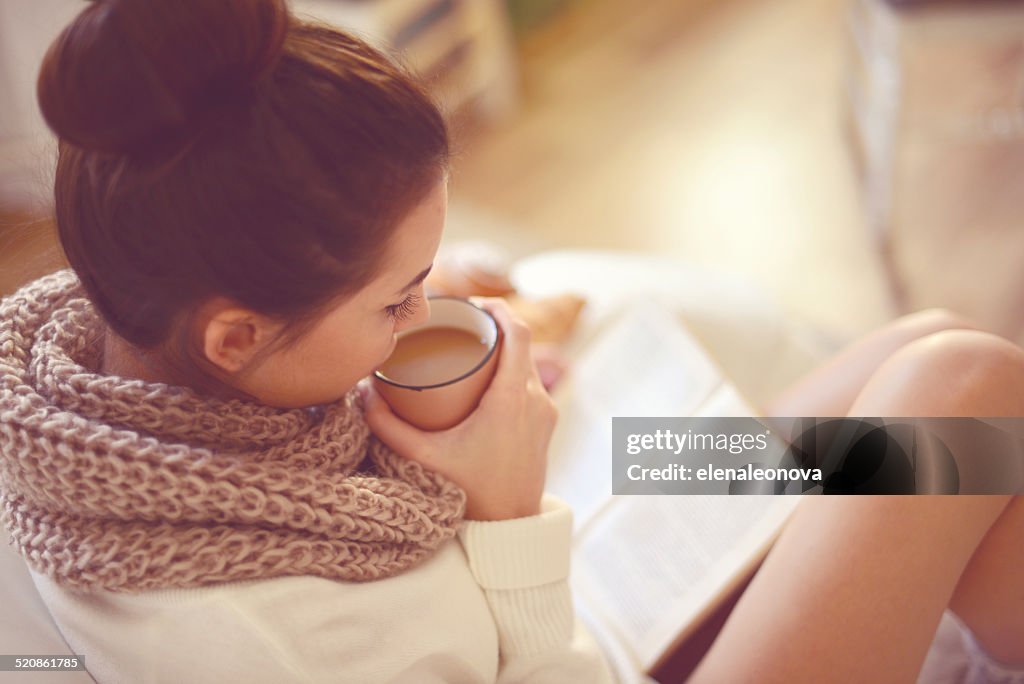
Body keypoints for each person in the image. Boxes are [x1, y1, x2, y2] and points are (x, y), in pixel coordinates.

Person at [0, 0, 1020, 682]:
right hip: (570, 636)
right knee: (961, 384)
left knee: (925, 363)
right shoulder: (254, 625)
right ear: (236, 333)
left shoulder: (95, 369)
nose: (422, 315)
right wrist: (507, 513)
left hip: (590, 595)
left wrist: (416, 290)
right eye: (397, 301)